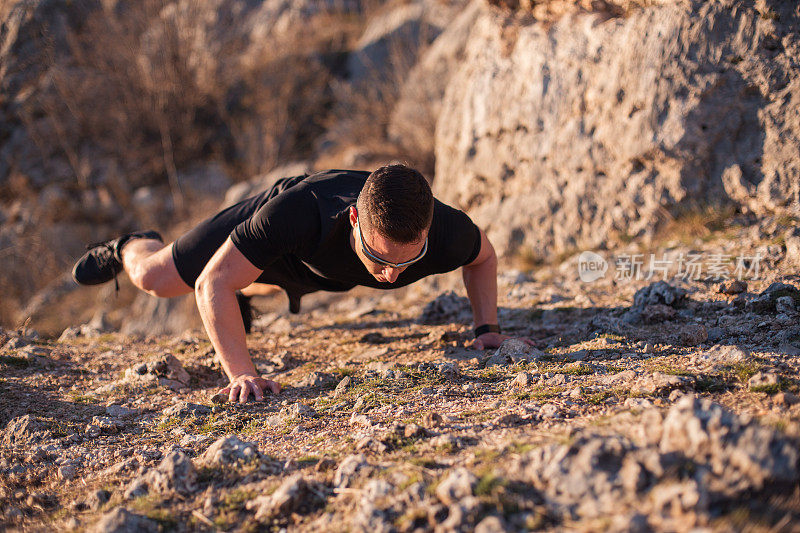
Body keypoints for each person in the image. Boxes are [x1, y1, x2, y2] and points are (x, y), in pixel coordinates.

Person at [72, 164, 530, 403]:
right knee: (157, 279)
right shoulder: (295, 212)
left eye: (408, 261)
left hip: (322, 272)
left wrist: (485, 329)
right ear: (354, 219)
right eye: (378, 258)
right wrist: (242, 373)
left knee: (244, 287)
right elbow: (210, 283)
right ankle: (129, 244)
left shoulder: (448, 230)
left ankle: (247, 293)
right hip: (286, 247)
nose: (391, 276)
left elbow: (485, 259)